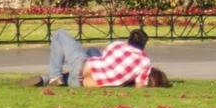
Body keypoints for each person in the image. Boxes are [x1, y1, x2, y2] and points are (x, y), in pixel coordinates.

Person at [33, 28, 170, 88]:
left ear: (129, 40)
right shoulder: (145, 61)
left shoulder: (117, 45)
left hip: (82, 68)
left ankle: (54, 76)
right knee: (93, 51)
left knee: (59, 34)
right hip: (80, 84)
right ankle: (47, 79)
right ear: (144, 45)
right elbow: (140, 84)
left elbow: (105, 57)